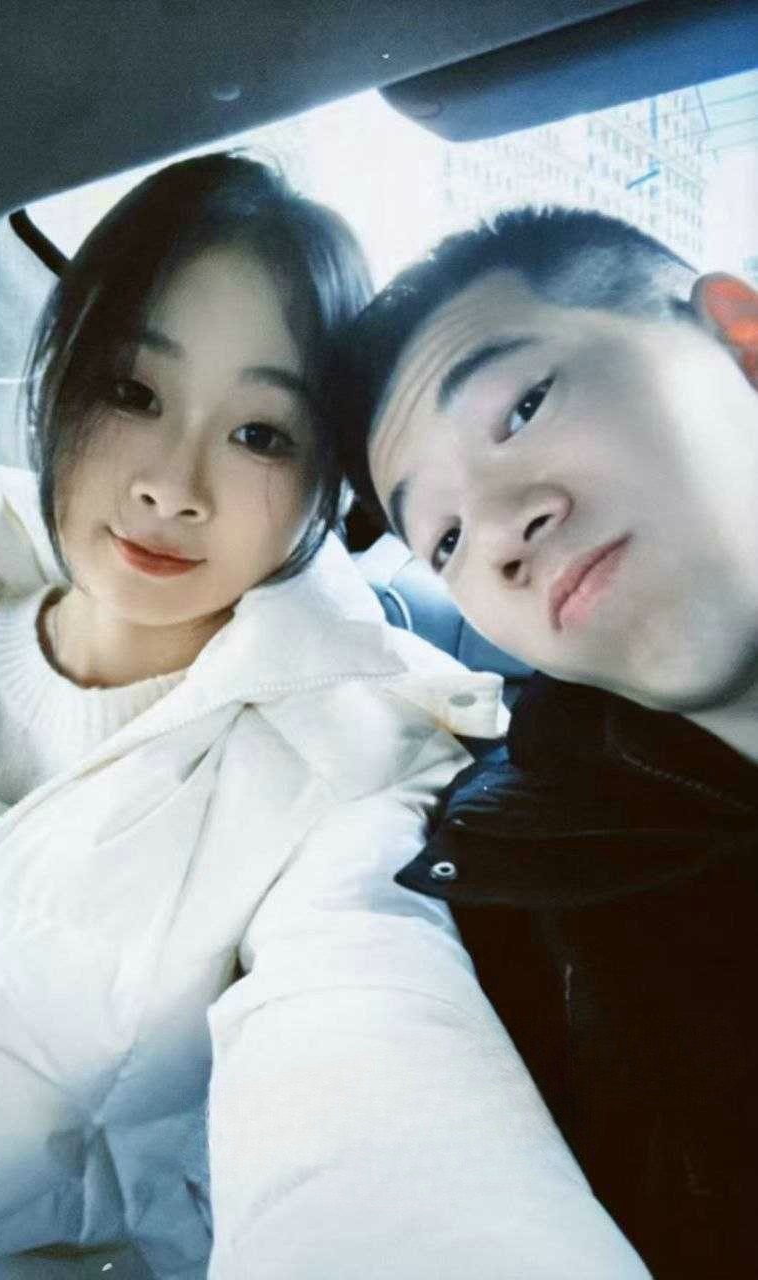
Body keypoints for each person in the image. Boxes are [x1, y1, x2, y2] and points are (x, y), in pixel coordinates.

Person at [0, 162, 647, 1280]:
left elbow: (367, 1062)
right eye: (132, 393)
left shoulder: (362, 764)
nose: (173, 486)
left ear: (328, 485)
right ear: (55, 388)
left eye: (260, 434)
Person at [344, 205, 758, 1278]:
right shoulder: (525, 919)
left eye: (523, 407)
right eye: (441, 538)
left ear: (739, 336)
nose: (494, 533)